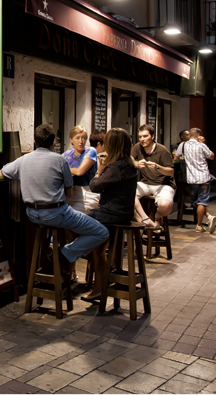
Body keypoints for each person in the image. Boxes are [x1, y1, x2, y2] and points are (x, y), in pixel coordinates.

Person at [0, 124, 109, 279]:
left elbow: (0, 173)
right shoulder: (60, 160)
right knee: (102, 232)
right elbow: (68, 194)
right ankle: (64, 254)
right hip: (55, 213)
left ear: (34, 141)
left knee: (65, 226)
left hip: (31, 215)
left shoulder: (24, 160)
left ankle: (52, 251)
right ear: (53, 143)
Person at [82, 128, 140, 301]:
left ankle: (70, 255)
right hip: (124, 214)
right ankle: (99, 281)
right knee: (95, 244)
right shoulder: (129, 163)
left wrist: (99, 170)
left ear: (112, 145)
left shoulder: (115, 167)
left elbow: (94, 186)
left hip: (110, 215)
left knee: (76, 222)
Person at [131, 124, 173, 229]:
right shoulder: (137, 147)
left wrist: (158, 168)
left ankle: (157, 216)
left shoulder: (162, 150)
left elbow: (171, 172)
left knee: (165, 206)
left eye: (145, 136)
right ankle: (143, 220)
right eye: (140, 137)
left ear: (152, 136)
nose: (142, 139)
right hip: (145, 183)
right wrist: (136, 163)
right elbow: (129, 159)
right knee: (125, 193)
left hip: (163, 184)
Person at [176, 128, 216, 233]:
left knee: (196, 201)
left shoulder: (183, 145)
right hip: (203, 178)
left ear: (189, 136)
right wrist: (203, 143)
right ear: (198, 136)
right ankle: (199, 225)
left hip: (191, 179)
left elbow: (176, 157)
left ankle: (208, 216)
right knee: (202, 201)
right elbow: (211, 156)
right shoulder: (201, 145)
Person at [63, 125, 98, 213]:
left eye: (83, 138)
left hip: (87, 194)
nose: (81, 141)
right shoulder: (67, 154)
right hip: (70, 193)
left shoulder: (90, 151)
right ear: (71, 139)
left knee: (73, 218)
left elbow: (79, 171)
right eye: (77, 138)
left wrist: (66, 170)